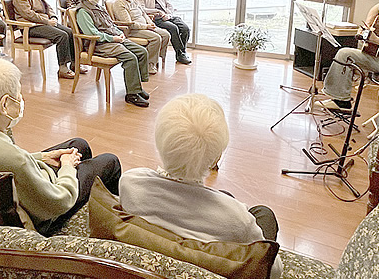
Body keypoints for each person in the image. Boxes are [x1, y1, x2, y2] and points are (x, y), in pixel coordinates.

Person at [0, 56, 121, 235]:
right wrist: (67, 168)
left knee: (79, 145)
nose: (21, 100)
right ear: (5, 105)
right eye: (18, 96)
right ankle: (114, 222)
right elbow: (59, 201)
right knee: (110, 161)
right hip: (44, 212)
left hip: (14, 182)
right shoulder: (16, 160)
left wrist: (41, 157)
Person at [119, 93, 282, 279]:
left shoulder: (130, 182)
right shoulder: (238, 219)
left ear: (158, 143)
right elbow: (273, 271)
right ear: (217, 158)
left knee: (225, 195)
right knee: (264, 213)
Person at [76, 0, 150, 107]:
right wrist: (113, 38)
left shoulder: (97, 7)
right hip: (99, 45)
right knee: (130, 57)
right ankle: (132, 94)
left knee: (142, 51)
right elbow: (93, 34)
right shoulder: (83, 11)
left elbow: (110, 24)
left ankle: (137, 86)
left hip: (113, 39)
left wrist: (118, 32)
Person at [12, 0, 84, 79]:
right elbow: (28, 14)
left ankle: (74, 63)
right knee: (62, 35)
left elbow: (47, 6)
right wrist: (47, 21)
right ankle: (63, 68)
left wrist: (53, 16)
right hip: (31, 26)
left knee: (70, 32)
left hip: (44, 22)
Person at [113, 0, 170, 75]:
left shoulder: (134, 0)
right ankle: (149, 64)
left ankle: (154, 58)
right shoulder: (119, 3)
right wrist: (146, 27)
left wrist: (150, 23)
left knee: (166, 35)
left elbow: (143, 13)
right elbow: (129, 23)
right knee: (156, 38)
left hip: (145, 26)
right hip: (133, 30)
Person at [136, 0, 191, 65]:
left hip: (168, 16)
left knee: (185, 28)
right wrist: (157, 12)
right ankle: (180, 54)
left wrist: (168, 14)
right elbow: (142, 9)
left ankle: (182, 52)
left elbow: (169, 4)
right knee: (173, 28)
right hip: (157, 19)